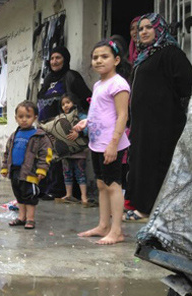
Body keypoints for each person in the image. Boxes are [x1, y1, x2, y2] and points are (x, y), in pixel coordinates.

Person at [125, 13, 192, 222]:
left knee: (155, 162)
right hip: (143, 123)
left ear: (159, 29)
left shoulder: (171, 53)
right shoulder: (143, 56)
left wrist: (168, 105)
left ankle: (148, 208)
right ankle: (140, 204)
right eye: (141, 28)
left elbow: (186, 84)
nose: (143, 32)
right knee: (142, 160)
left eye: (148, 27)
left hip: (163, 122)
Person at [73, 39, 130, 245]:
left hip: (110, 144)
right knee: (101, 184)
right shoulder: (98, 84)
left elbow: (122, 115)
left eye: (104, 56)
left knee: (114, 185)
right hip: (96, 142)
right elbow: (100, 112)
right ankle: (103, 225)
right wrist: (85, 122)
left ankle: (117, 231)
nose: (98, 61)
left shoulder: (119, 83)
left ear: (116, 60)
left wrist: (114, 144)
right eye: (95, 57)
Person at [36, 46, 92, 200]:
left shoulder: (71, 76)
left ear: (65, 59)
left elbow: (88, 99)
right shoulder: (48, 79)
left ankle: (61, 191)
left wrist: (82, 123)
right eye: (52, 58)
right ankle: (47, 189)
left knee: (63, 160)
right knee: (47, 158)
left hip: (64, 130)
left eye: (58, 58)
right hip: (47, 129)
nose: (54, 61)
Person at [1, 100, 53, 230]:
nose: (24, 120)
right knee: (19, 195)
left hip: (30, 172)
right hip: (15, 171)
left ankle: (30, 219)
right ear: (16, 118)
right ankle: (21, 217)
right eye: (21, 117)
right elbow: (7, 152)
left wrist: (42, 169)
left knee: (30, 196)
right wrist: (4, 167)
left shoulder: (40, 136)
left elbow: (46, 154)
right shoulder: (14, 135)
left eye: (28, 117)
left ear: (35, 117)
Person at [55, 93, 89, 205]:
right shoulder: (60, 118)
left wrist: (78, 133)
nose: (65, 106)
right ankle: (68, 194)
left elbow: (88, 128)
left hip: (79, 152)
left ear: (74, 103)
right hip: (66, 153)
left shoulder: (81, 116)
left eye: (68, 103)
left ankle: (84, 196)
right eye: (63, 104)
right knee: (67, 173)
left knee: (80, 173)